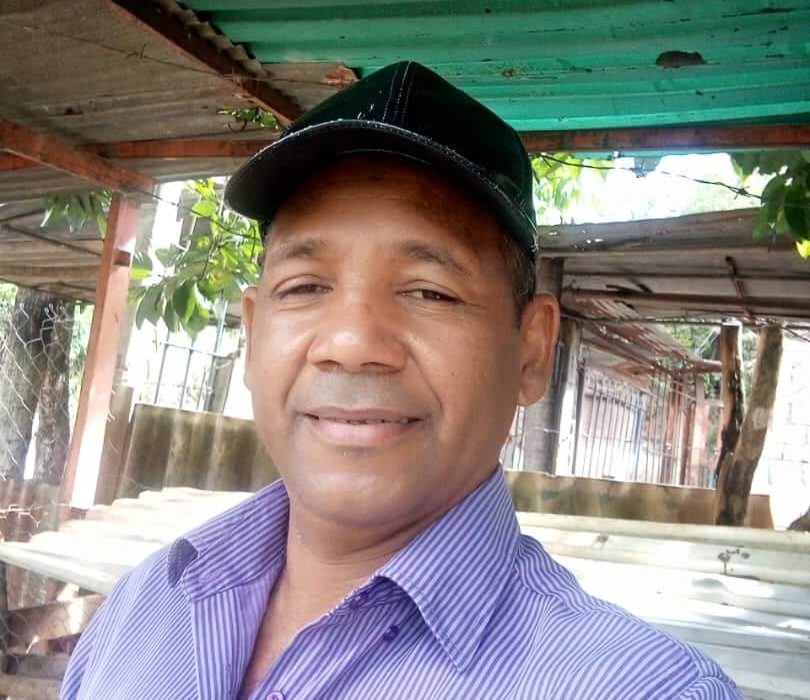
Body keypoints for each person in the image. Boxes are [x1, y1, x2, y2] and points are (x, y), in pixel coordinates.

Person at [60, 62, 742, 700]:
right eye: (304, 286)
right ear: (254, 331)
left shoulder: (645, 690)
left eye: (429, 291)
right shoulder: (142, 609)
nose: (351, 344)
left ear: (531, 352)